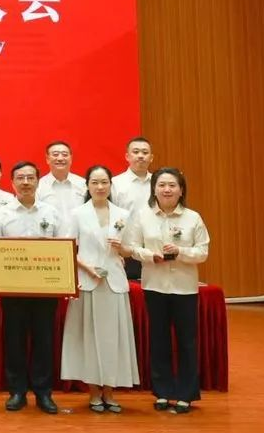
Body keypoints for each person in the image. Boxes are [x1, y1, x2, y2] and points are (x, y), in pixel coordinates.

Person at [123, 167, 209, 414]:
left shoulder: (193, 217)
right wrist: (150, 255)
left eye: (172, 185)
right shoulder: (143, 216)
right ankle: (162, 392)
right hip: (154, 286)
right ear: (154, 190)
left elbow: (203, 252)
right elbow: (131, 247)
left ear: (181, 190)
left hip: (185, 288)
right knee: (159, 341)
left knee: (187, 342)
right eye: (161, 185)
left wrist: (181, 251)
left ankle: (186, 395)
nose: (167, 190)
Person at [60, 165, 139, 413]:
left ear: (110, 185)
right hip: (88, 282)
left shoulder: (123, 214)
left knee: (113, 339)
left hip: (114, 282)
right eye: (94, 182)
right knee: (89, 339)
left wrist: (123, 249)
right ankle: (94, 392)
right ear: (87, 186)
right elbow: (68, 248)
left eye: (104, 182)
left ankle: (110, 392)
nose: (100, 187)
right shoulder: (77, 214)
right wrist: (89, 267)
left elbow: (131, 248)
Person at [0, 161, 65, 414]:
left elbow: (65, 248)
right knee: (15, 340)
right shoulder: (2, 214)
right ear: (12, 183)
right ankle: (17, 391)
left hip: (45, 290)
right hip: (13, 290)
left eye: (30, 178)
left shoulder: (51, 213)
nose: (25, 182)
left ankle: (43, 393)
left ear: (37, 182)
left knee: (44, 341)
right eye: (20, 178)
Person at [112, 137, 154, 280]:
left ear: (151, 158)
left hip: (154, 251)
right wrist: (115, 252)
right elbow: (111, 219)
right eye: (136, 152)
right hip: (126, 252)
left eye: (145, 152)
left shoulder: (159, 183)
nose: (140, 156)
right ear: (127, 156)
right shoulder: (115, 184)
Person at [36, 140, 85, 230]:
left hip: (80, 237)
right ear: (47, 159)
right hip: (50, 237)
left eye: (65, 154)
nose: (60, 158)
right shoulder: (38, 186)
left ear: (71, 159)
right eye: (55, 154)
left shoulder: (83, 184)